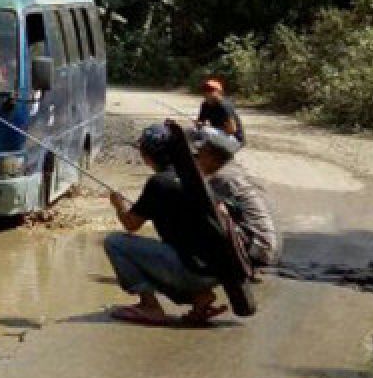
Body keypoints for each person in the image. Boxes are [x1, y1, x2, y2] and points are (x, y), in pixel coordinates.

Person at [104, 124, 226, 326]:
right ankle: (200, 297)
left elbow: (131, 224)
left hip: (191, 271)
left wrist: (119, 205)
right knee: (177, 247)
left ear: (146, 155)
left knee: (115, 242)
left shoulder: (159, 183)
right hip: (216, 271)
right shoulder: (195, 176)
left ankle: (149, 305)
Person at [194, 130, 280, 270]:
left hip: (262, 250)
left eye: (200, 154)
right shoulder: (238, 172)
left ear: (213, 157)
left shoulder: (221, 179)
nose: (197, 160)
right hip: (272, 245)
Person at [197, 79, 245, 146]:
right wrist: (199, 124)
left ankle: (206, 152)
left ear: (219, 92)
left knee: (207, 131)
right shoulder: (205, 105)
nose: (207, 93)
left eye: (210, 90)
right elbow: (200, 123)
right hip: (218, 135)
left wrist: (209, 128)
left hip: (235, 140)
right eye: (205, 90)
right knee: (189, 131)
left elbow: (232, 130)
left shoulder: (224, 105)